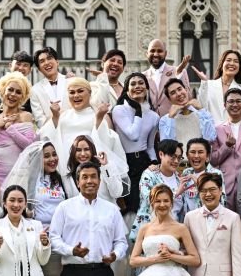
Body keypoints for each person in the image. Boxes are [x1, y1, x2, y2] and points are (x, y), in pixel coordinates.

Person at [1, 141, 76, 276]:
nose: (52, 159)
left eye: (54, 154)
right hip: (28, 238)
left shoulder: (61, 181)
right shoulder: (29, 181)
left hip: (53, 239)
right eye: (47, 155)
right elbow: (17, 208)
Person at [184, 173, 241, 276]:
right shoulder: (190, 217)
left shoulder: (233, 218)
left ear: (220, 190)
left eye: (212, 189)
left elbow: (237, 253)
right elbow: (186, 250)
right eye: (204, 191)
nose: (208, 194)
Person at [39, 77, 128, 178]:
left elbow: (107, 142)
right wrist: (55, 116)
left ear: (90, 93)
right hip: (66, 170)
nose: (76, 95)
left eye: (80, 91)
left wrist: (99, 119)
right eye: (72, 92)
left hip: (91, 171)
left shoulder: (97, 115)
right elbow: (45, 138)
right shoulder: (62, 116)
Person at [110, 72, 159, 214]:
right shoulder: (119, 110)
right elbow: (133, 135)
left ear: (147, 88)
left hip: (144, 161)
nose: (137, 86)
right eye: (133, 84)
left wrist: (154, 162)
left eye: (141, 83)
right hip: (124, 162)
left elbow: (149, 146)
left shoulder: (154, 116)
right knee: (127, 207)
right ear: (126, 90)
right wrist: (138, 109)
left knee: (145, 204)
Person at [0, 72, 36, 185]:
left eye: (18, 92)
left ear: (23, 97)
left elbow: (29, 147)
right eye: (10, 90)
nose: (13, 94)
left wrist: (9, 128)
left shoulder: (25, 116)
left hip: (22, 176)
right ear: (3, 91)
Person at [210, 88, 241, 210]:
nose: (235, 104)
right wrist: (226, 146)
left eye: (238, 101)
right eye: (231, 101)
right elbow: (213, 160)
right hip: (225, 183)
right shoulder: (217, 129)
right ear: (225, 105)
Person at [129, 139, 186, 242]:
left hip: (173, 234)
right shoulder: (149, 174)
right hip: (150, 233)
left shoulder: (180, 179)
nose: (176, 161)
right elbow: (148, 198)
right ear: (161, 154)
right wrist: (176, 193)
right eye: (172, 157)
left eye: (179, 157)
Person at [65, 135, 129, 205]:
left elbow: (117, 193)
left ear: (92, 150)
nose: (82, 154)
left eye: (86, 149)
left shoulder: (105, 169)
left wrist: (106, 167)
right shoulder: (68, 178)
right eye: (78, 150)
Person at [194, 49, 241, 124]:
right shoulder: (209, 85)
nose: (232, 63)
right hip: (211, 132)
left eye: (236, 61)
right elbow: (201, 107)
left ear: (239, 67)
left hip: (234, 134)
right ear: (222, 64)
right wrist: (204, 82)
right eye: (228, 60)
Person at [158, 78, 216, 149]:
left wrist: (201, 110)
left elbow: (210, 138)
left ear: (186, 90)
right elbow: (166, 147)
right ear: (169, 99)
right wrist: (171, 118)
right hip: (177, 159)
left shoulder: (203, 114)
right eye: (173, 93)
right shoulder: (165, 120)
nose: (178, 94)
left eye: (180, 89)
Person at [178, 137, 225, 217]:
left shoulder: (215, 174)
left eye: (200, 152)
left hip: (208, 219)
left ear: (207, 156)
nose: (196, 156)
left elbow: (222, 202)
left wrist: (200, 185)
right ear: (187, 155)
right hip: (188, 221)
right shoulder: (186, 173)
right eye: (192, 152)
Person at [142, 39, 190, 116]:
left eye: (159, 51)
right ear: (147, 54)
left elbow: (188, 97)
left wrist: (178, 75)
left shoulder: (179, 71)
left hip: (173, 123)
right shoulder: (142, 77)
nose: (156, 54)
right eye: (152, 51)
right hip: (151, 126)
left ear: (165, 53)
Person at [30, 47, 69, 127]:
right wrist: (54, 117)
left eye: (49, 58)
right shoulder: (35, 90)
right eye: (42, 61)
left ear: (57, 62)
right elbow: (40, 121)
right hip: (50, 134)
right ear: (39, 69)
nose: (47, 63)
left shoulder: (71, 81)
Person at [0, 51, 33, 119]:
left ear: (30, 70)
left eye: (25, 65)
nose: (21, 68)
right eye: (18, 64)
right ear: (10, 66)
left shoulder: (31, 91)